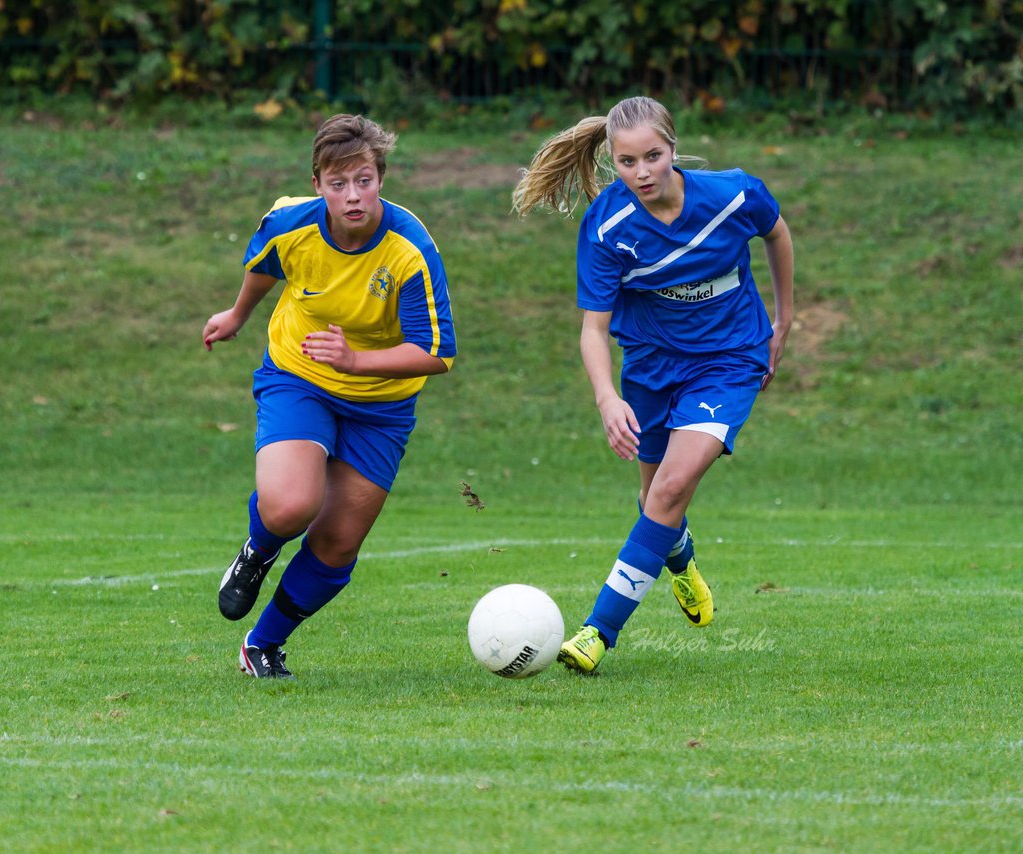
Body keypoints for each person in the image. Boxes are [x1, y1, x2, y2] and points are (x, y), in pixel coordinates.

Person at [512, 95, 794, 674]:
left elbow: (778, 234)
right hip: (650, 366)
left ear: (674, 148)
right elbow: (593, 329)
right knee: (654, 500)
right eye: (625, 161)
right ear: (611, 160)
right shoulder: (607, 225)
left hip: (729, 361)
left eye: (653, 157)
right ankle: (682, 563)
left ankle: (596, 631)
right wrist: (606, 396)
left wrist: (784, 320)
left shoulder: (734, 194)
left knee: (669, 490)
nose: (641, 173)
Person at [202, 114, 457, 679]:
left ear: (381, 179)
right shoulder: (290, 224)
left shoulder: (409, 250)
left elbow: (438, 352)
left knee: (338, 543)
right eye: (338, 183)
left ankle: (262, 646)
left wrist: (357, 360)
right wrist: (238, 315)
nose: (353, 196)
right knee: (291, 505)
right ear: (317, 184)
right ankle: (258, 551)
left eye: (363, 180)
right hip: (302, 376)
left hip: (382, 405)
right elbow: (264, 265)